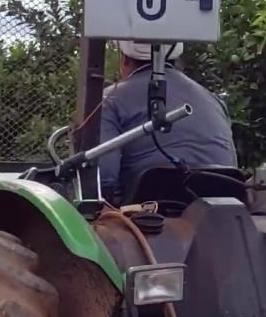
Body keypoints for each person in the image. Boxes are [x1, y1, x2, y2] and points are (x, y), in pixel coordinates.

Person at [96, 39, 237, 203]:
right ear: (175, 58)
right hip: (222, 204)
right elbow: (231, 162)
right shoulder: (213, 99)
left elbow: (103, 178)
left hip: (148, 212)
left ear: (124, 59)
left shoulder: (109, 100)